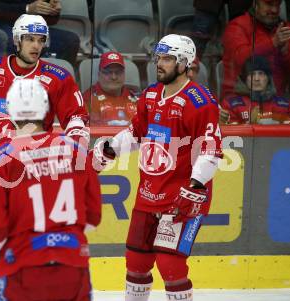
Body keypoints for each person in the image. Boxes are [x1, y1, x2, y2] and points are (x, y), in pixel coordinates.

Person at [96, 34, 222, 301]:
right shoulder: (151, 94)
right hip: (148, 195)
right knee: (136, 262)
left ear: (184, 62)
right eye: (158, 58)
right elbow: (136, 133)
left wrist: (195, 186)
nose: (159, 64)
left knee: (171, 266)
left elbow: (211, 151)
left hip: (182, 198)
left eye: (167, 59)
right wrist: (111, 149)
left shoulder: (200, 101)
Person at [0, 78, 102, 300]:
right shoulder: (76, 151)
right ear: (46, 108)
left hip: (24, 272)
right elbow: (92, 218)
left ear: (9, 110)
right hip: (73, 270)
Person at [0, 13, 89, 155]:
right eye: (30, 39)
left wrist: (76, 139)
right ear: (16, 40)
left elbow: (76, 117)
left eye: (40, 40)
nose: (36, 46)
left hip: (35, 165)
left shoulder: (59, 77)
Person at [222, 0, 290, 98]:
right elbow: (240, 60)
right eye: (269, 4)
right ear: (255, 3)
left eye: (278, 5)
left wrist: (286, 53)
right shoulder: (236, 26)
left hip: (278, 101)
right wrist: (272, 43)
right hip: (241, 100)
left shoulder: (286, 29)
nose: (274, 10)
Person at [0, 0, 80, 66]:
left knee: (71, 41)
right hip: (6, 24)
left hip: (33, 26)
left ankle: (60, 80)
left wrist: (53, 11)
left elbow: (52, 21)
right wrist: (27, 9)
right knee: (16, 41)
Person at [220, 55, 290, 124]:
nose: (256, 79)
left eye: (261, 74)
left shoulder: (284, 105)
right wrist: (249, 124)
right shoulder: (231, 105)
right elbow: (230, 137)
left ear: (268, 78)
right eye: (252, 74)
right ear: (244, 79)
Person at [82, 51, 138, 126]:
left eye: (118, 72)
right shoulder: (88, 99)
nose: (113, 77)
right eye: (107, 72)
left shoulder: (136, 96)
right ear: (99, 75)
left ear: (124, 74)